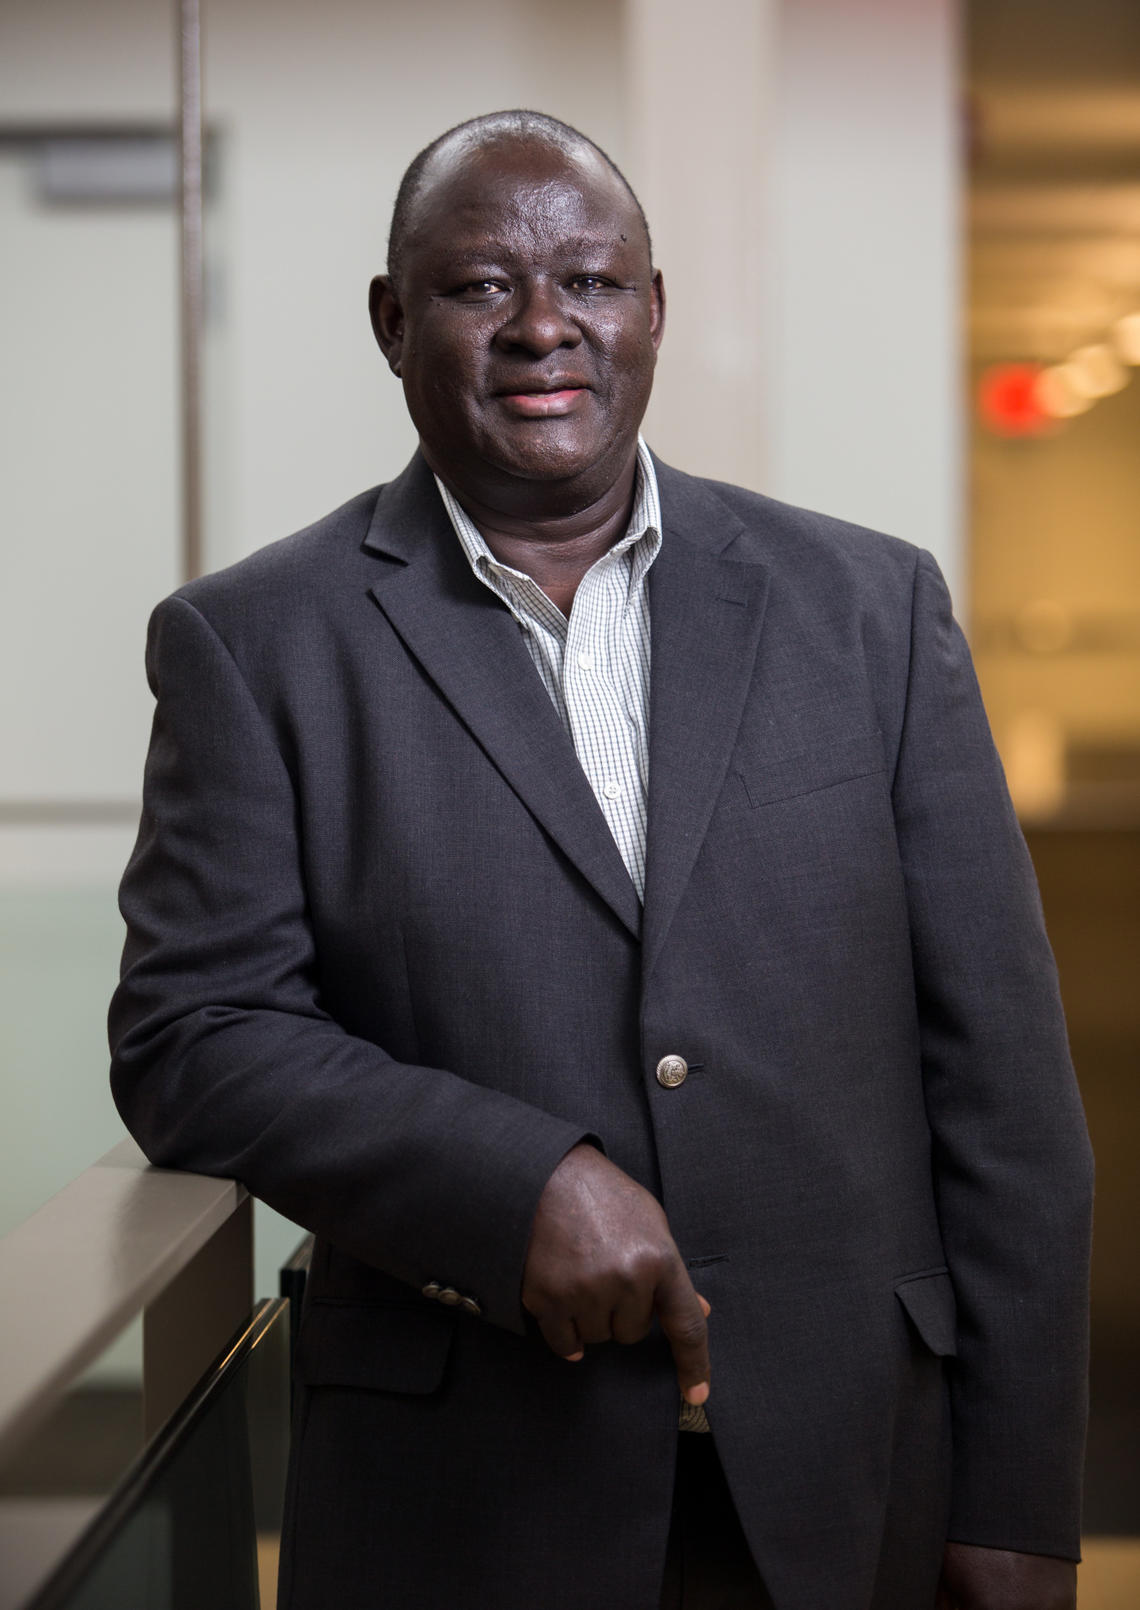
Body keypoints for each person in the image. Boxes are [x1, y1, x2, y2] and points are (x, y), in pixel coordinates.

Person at [109, 110, 1093, 1610]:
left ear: (654, 307)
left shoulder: (870, 610)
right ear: (392, 321)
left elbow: (1005, 1088)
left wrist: (1023, 1496)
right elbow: (193, 1034)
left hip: (850, 1478)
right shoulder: (256, 643)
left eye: (591, 279)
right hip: (467, 1497)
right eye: (479, 285)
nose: (544, 324)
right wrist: (517, 1183)